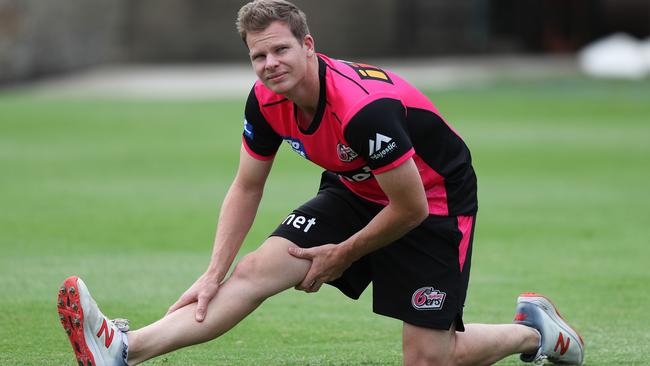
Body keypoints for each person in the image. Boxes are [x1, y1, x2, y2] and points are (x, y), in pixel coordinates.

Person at [56, 1, 585, 365]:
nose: (270, 64)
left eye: (280, 50)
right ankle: (123, 349)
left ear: (309, 45)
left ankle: (535, 331)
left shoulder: (363, 111)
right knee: (255, 270)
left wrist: (344, 254)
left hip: (432, 199)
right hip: (356, 187)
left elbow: (410, 207)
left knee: (429, 358)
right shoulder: (265, 100)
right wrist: (213, 272)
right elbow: (246, 187)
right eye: (258, 55)